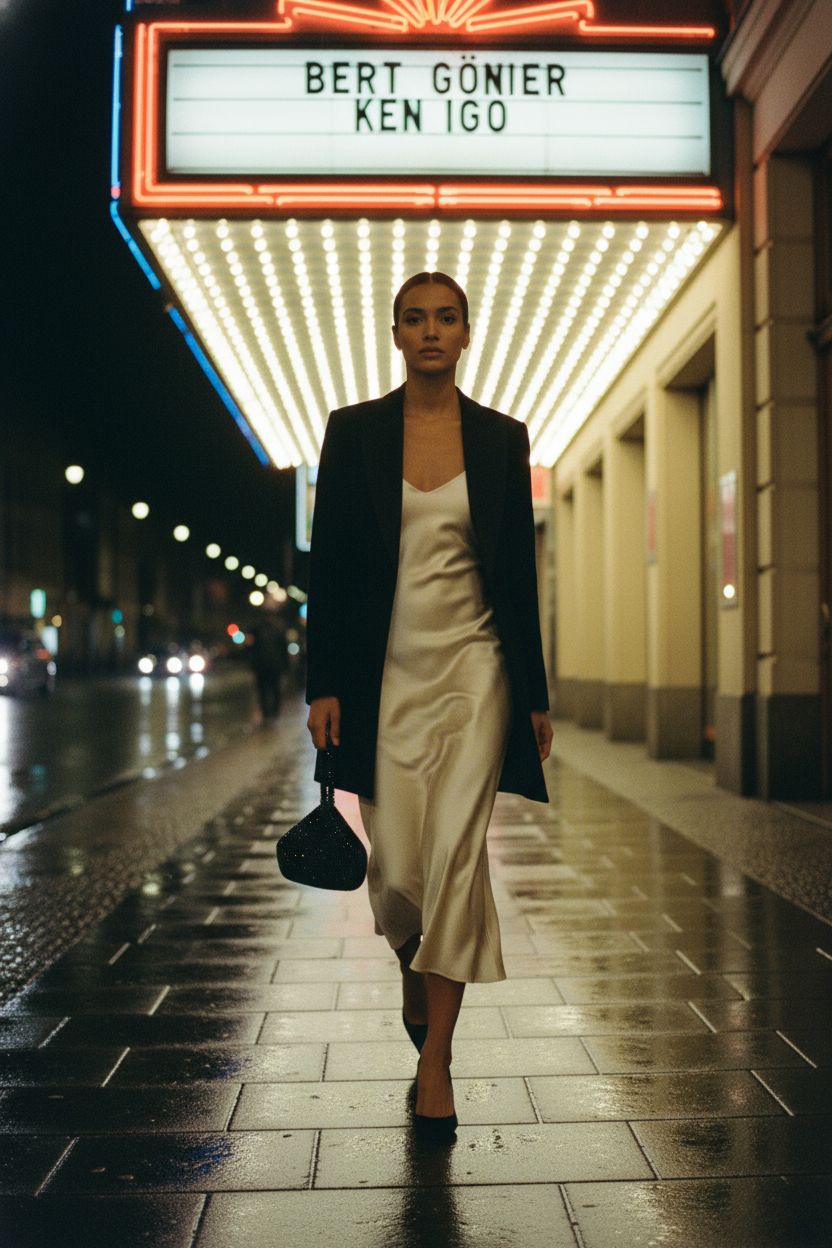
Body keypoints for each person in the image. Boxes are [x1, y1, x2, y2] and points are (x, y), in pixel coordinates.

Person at [305, 271, 553, 1141]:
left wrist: (534, 695)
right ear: (397, 335)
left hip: (476, 674)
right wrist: (323, 684)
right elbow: (329, 565)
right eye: (415, 319)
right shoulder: (355, 433)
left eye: (446, 318)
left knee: (453, 856)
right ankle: (415, 970)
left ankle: (436, 1061)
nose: (431, 331)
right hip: (385, 680)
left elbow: (516, 575)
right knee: (400, 871)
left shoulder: (501, 438)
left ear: (467, 332)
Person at [249, 611, 286, 720]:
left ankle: (271, 711)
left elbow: (282, 648)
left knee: (271, 689)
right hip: (266, 665)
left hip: (269, 665)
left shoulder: (274, 629)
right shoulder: (260, 630)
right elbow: (252, 649)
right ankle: (269, 711)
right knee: (268, 690)